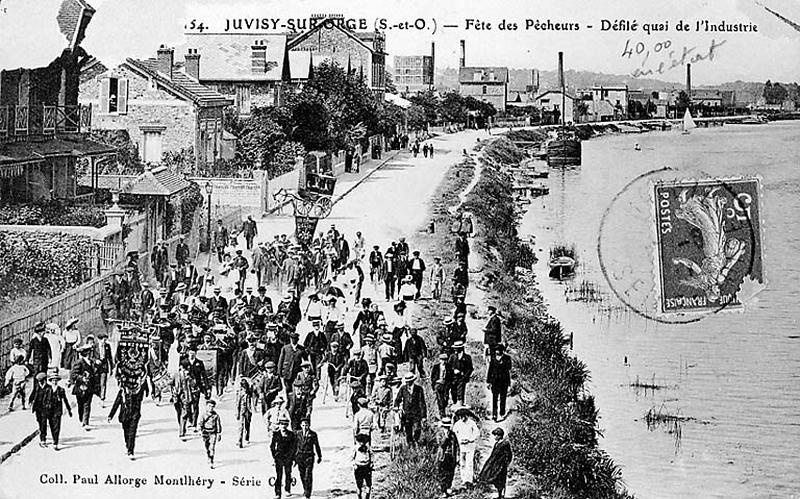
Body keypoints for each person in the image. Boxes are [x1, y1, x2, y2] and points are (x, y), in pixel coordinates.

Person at [108, 381, 146, 459]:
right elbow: (116, 403)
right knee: (126, 433)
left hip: (134, 415)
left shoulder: (138, 391)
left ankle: (130, 450)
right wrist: (110, 415)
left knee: (132, 432)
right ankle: (128, 445)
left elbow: (139, 400)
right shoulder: (122, 392)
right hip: (124, 415)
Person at [478, 428, 513, 499]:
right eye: (495, 435)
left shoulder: (505, 444)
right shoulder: (496, 444)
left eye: (497, 435)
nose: (495, 437)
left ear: (500, 436)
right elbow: (493, 455)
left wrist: (506, 463)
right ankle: (499, 494)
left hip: (501, 465)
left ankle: (502, 495)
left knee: (501, 479)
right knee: (496, 479)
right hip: (495, 464)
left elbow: (509, 454)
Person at [394, 372, 427, 446]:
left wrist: (424, 416)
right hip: (407, 414)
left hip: (416, 413)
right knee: (408, 431)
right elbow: (398, 399)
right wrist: (396, 406)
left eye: (409, 381)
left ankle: (416, 440)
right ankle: (410, 445)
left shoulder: (419, 389)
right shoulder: (403, 388)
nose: (408, 383)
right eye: (407, 381)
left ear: (413, 381)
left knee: (417, 429)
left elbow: (422, 403)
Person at [453, 406, 480, 488]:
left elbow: (477, 433)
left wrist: (470, 439)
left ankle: (469, 480)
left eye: (463, 416)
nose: (462, 418)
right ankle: (464, 479)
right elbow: (455, 433)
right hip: (461, 446)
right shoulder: (457, 424)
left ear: (467, 416)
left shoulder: (471, 423)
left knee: (469, 463)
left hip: (470, 446)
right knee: (462, 463)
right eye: (460, 417)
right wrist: (460, 440)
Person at [295, 418, 322, 499]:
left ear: (309, 425)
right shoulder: (298, 433)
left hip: (309, 456)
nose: (305, 427)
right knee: (302, 475)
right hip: (300, 457)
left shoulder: (313, 434)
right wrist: (294, 457)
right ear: (300, 425)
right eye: (303, 425)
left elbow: (317, 445)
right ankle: (305, 488)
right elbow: (294, 446)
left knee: (308, 476)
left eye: (306, 425)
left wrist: (319, 456)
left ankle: (308, 494)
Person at [70, 344, 96, 429]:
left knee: (87, 404)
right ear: (86, 353)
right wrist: (82, 378)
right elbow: (73, 374)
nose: (90, 354)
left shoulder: (92, 362)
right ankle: (82, 418)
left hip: (89, 387)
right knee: (80, 404)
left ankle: (85, 422)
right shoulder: (79, 362)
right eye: (88, 352)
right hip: (80, 387)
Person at [271, 416, 297, 499]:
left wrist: (293, 458)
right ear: (279, 425)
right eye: (282, 424)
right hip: (279, 457)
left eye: (285, 424)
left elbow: (294, 447)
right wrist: (274, 455)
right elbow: (272, 446)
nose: (283, 426)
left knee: (288, 474)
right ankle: (277, 493)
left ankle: (287, 490)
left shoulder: (291, 435)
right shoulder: (276, 434)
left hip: (288, 457)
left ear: (287, 425)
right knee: (279, 475)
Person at [45, 371, 72, 451]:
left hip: (57, 411)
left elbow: (65, 400)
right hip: (49, 411)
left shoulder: (61, 390)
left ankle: (55, 443)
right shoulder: (47, 389)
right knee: (52, 426)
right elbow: (44, 400)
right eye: (53, 380)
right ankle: (54, 438)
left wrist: (69, 410)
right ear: (51, 381)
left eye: (56, 380)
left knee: (57, 427)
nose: (55, 381)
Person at [171, 360, 196, 438]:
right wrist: (173, 390)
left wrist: (190, 379)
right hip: (177, 396)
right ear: (180, 367)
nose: (185, 370)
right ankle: (182, 426)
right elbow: (171, 383)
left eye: (186, 369)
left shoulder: (189, 375)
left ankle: (182, 432)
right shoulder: (176, 374)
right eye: (184, 369)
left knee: (184, 413)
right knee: (179, 412)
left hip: (186, 396)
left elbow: (194, 384)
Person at [487, 344, 512, 421]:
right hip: (495, 382)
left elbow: (509, 367)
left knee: (503, 398)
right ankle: (494, 414)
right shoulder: (493, 358)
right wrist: (488, 382)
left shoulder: (507, 358)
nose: (497, 351)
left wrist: (503, 363)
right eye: (496, 350)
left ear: (502, 351)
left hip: (504, 381)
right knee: (494, 398)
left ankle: (502, 413)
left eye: (498, 350)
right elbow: (490, 370)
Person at [437, 417, 460, 496]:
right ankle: (443, 490)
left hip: (451, 455)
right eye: (445, 427)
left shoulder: (453, 434)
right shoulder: (440, 433)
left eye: (448, 426)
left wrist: (458, 456)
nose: (447, 428)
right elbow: (441, 444)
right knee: (443, 473)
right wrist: (446, 437)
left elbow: (457, 445)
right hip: (443, 456)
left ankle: (448, 487)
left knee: (451, 472)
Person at [29, 373, 51, 447]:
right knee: (39, 421)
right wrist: (30, 401)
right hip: (37, 408)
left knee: (43, 422)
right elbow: (33, 394)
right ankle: (43, 433)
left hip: (45, 408)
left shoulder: (49, 388)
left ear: (45, 380)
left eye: (41, 381)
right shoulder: (37, 387)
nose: (40, 382)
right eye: (39, 381)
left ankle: (43, 439)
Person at [448, 341, 473, 406]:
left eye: (457, 348)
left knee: (461, 392)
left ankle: (460, 405)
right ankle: (454, 403)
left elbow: (470, 369)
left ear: (461, 348)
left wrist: (465, 376)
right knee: (453, 391)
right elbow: (448, 367)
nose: (455, 350)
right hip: (453, 378)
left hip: (462, 378)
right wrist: (453, 371)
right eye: (455, 348)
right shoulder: (452, 357)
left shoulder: (467, 357)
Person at [200, 399, 222, 468]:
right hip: (205, 433)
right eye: (209, 406)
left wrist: (219, 434)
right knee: (207, 447)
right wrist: (200, 431)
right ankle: (209, 456)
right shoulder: (204, 415)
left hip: (213, 433)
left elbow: (218, 425)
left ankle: (212, 460)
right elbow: (200, 424)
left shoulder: (216, 416)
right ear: (206, 406)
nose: (211, 408)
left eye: (212, 406)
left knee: (212, 447)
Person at [431, 353, 453, 417]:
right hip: (438, 384)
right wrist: (434, 385)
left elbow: (451, 376)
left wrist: (449, 384)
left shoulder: (448, 367)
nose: (443, 361)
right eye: (442, 360)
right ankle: (441, 412)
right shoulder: (436, 367)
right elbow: (432, 377)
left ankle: (443, 409)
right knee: (440, 399)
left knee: (446, 398)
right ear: (439, 360)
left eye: (444, 360)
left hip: (446, 385)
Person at [352, 432, 373, 499]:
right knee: (359, 484)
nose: (362, 443)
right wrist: (354, 464)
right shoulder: (356, 448)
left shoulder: (368, 448)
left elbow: (372, 455)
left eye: (364, 442)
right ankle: (359, 497)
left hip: (367, 466)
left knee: (368, 484)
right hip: (358, 466)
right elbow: (352, 457)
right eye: (360, 442)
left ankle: (367, 497)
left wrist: (372, 463)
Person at [95, 332, 114, 406]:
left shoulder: (107, 346)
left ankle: (102, 399)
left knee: (103, 383)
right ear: (99, 340)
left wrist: (112, 368)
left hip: (104, 367)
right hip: (96, 368)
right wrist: (95, 360)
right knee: (97, 383)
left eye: (105, 340)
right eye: (103, 340)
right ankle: (98, 395)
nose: (104, 342)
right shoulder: (94, 346)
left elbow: (110, 357)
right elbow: (91, 357)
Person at [236, 378, 254, 448]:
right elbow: (238, 403)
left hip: (248, 411)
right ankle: (239, 440)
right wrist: (237, 413)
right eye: (243, 387)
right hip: (241, 411)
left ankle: (247, 437)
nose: (244, 389)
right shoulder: (240, 394)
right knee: (241, 426)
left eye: (245, 387)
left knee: (247, 424)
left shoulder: (250, 392)